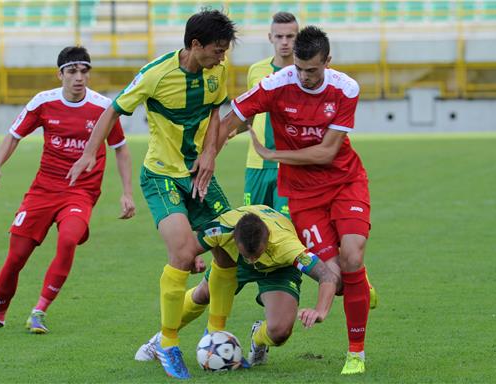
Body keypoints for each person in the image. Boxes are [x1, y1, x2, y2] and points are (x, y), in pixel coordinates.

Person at [66, 9, 237, 379]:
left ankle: (215, 331)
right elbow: (112, 112)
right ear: (195, 45)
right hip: (161, 176)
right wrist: (86, 154)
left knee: (229, 248)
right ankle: (168, 342)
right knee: (182, 254)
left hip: (199, 174)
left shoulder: (218, 71)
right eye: (217, 51)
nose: (222, 58)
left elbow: (215, 113)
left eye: (225, 51)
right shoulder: (155, 75)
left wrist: (210, 153)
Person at [217, 26, 373, 375]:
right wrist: (209, 154)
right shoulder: (278, 83)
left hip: (345, 181)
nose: (304, 76)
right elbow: (234, 117)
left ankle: (356, 353)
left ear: (327, 62)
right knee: (338, 278)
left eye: (312, 70)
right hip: (303, 195)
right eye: (300, 69)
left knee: (353, 255)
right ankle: (361, 288)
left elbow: (328, 150)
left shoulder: (345, 88)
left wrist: (274, 154)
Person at [0, 46, 135, 334]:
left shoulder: (103, 108)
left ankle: (39, 311)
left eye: (84, 71)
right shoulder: (43, 102)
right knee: (16, 257)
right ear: (60, 74)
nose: (79, 77)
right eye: (72, 71)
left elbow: (120, 149)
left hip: (80, 192)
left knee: (68, 239)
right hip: (43, 190)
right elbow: (14, 136)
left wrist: (127, 193)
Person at [134, 205, 340, 366]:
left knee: (279, 332)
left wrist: (320, 311)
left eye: (255, 256)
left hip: (278, 268)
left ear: (266, 242)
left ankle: (257, 338)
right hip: (235, 262)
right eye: (247, 255)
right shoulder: (222, 228)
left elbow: (327, 276)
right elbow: (186, 249)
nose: (251, 261)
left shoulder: (287, 247)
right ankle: (160, 339)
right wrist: (192, 258)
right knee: (202, 294)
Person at [241, 12, 298, 217]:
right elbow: (249, 113)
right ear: (270, 37)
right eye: (279, 36)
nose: (285, 42)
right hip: (256, 163)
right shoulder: (256, 70)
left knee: (286, 229)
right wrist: (227, 132)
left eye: (290, 36)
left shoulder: (307, 72)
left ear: (298, 38)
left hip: (291, 164)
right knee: (252, 229)